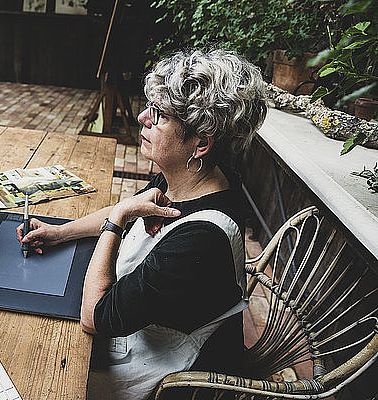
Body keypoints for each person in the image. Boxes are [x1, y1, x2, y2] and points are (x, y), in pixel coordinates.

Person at [16, 48, 267, 399]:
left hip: (168, 379)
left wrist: (117, 219)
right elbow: (132, 208)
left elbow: (93, 318)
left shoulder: (202, 237)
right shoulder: (190, 177)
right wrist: (59, 233)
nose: (142, 118)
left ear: (201, 144)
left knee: (34, 367)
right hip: (138, 333)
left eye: (160, 115)